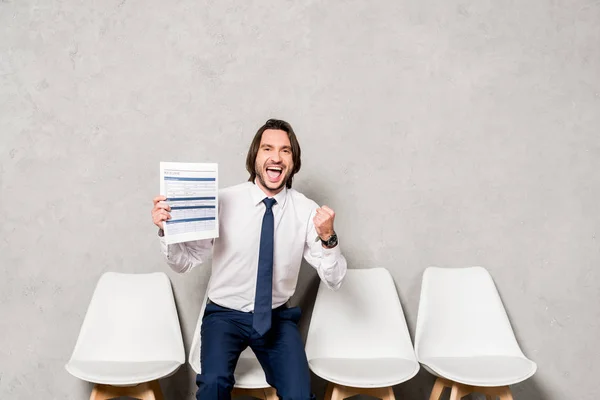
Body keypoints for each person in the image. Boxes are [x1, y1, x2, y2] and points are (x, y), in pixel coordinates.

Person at [151, 119, 347, 400]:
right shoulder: (222, 201)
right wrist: (165, 230)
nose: (276, 157)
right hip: (225, 315)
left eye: (285, 151)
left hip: (277, 317)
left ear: (294, 161)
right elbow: (185, 262)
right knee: (213, 388)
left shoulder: (306, 210)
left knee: (301, 396)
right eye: (267, 148)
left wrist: (329, 238)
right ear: (255, 157)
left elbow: (335, 279)